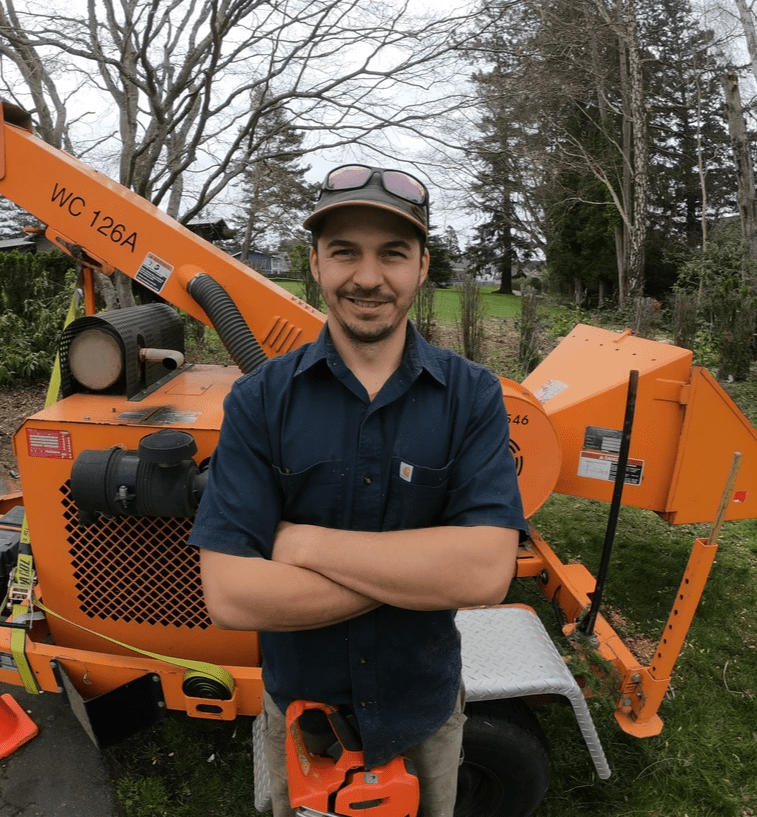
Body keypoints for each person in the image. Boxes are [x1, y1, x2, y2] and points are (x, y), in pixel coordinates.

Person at [189, 164, 527, 817]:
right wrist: (421, 573)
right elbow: (230, 593)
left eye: (392, 253)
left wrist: (302, 544)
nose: (368, 278)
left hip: (423, 716)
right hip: (302, 722)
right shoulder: (260, 401)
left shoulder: (473, 397)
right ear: (315, 263)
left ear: (421, 267)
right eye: (345, 252)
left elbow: (486, 573)